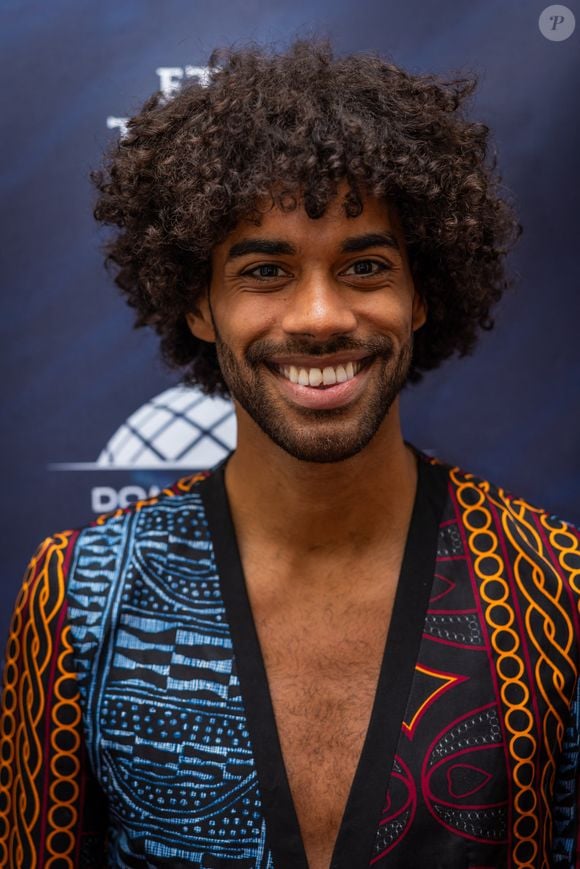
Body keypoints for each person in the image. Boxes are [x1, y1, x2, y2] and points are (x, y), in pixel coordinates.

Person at [0, 39, 578, 869]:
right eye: (266, 270)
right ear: (198, 304)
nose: (318, 316)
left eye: (366, 266)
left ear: (422, 295)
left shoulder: (553, 589)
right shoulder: (80, 596)